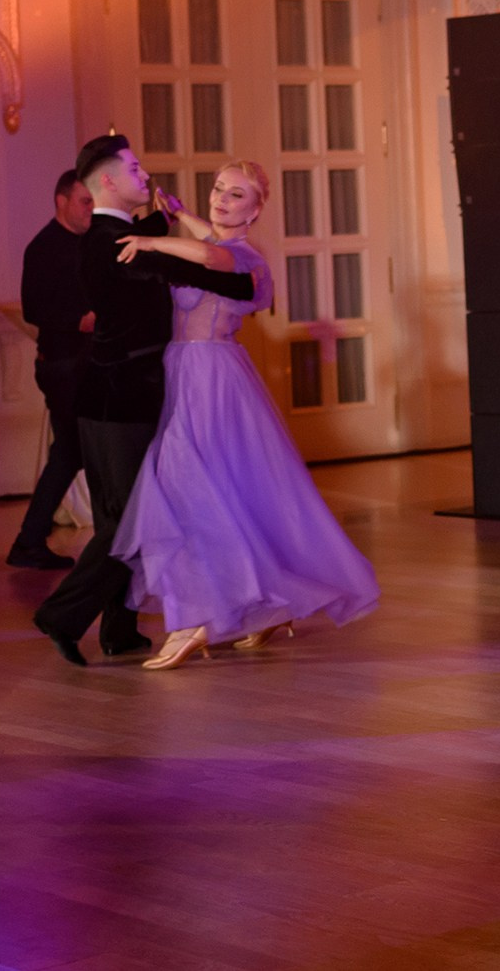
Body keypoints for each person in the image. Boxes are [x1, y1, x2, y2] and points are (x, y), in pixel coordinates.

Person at [109, 160, 381, 668]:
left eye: (235, 195)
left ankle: (194, 619)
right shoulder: (222, 242)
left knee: (187, 490)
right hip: (189, 371)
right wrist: (180, 214)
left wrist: (152, 242)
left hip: (210, 378)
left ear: (256, 210)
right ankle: (265, 606)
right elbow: (205, 236)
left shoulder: (240, 257)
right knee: (210, 491)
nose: (222, 199)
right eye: (218, 189)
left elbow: (207, 250)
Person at [33, 135, 258, 666]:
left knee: (127, 515)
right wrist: (247, 278)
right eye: (134, 167)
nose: (144, 173)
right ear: (108, 181)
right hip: (120, 401)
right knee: (131, 520)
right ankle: (62, 615)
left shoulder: (115, 233)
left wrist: (164, 223)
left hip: (114, 398)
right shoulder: (111, 240)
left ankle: (119, 629)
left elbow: (143, 242)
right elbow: (189, 271)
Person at [8, 169, 95, 570]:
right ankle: (29, 539)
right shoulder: (43, 248)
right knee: (73, 451)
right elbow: (34, 308)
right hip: (62, 365)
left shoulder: (89, 242)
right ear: (61, 201)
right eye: (84, 201)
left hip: (81, 364)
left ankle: (30, 538)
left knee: (72, 451)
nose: (90, 209)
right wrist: (79, 320)